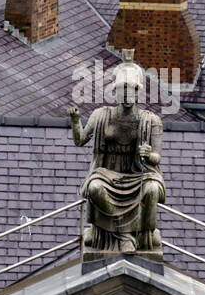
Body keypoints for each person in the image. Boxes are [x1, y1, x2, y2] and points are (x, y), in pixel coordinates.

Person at [68, 54, 165, 258]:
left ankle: (142, 235)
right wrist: (75, 120)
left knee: (152, 189)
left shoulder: (151, 121)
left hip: (138, 174)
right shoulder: (100, 115)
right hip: (107, 173)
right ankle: (125, 237)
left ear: (138, 92)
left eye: (132, 90)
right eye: (123, 90)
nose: (128, 95)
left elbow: (156, 157)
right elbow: (80, 140)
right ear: (116, 92)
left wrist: (149, 154)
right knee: (94, 188)